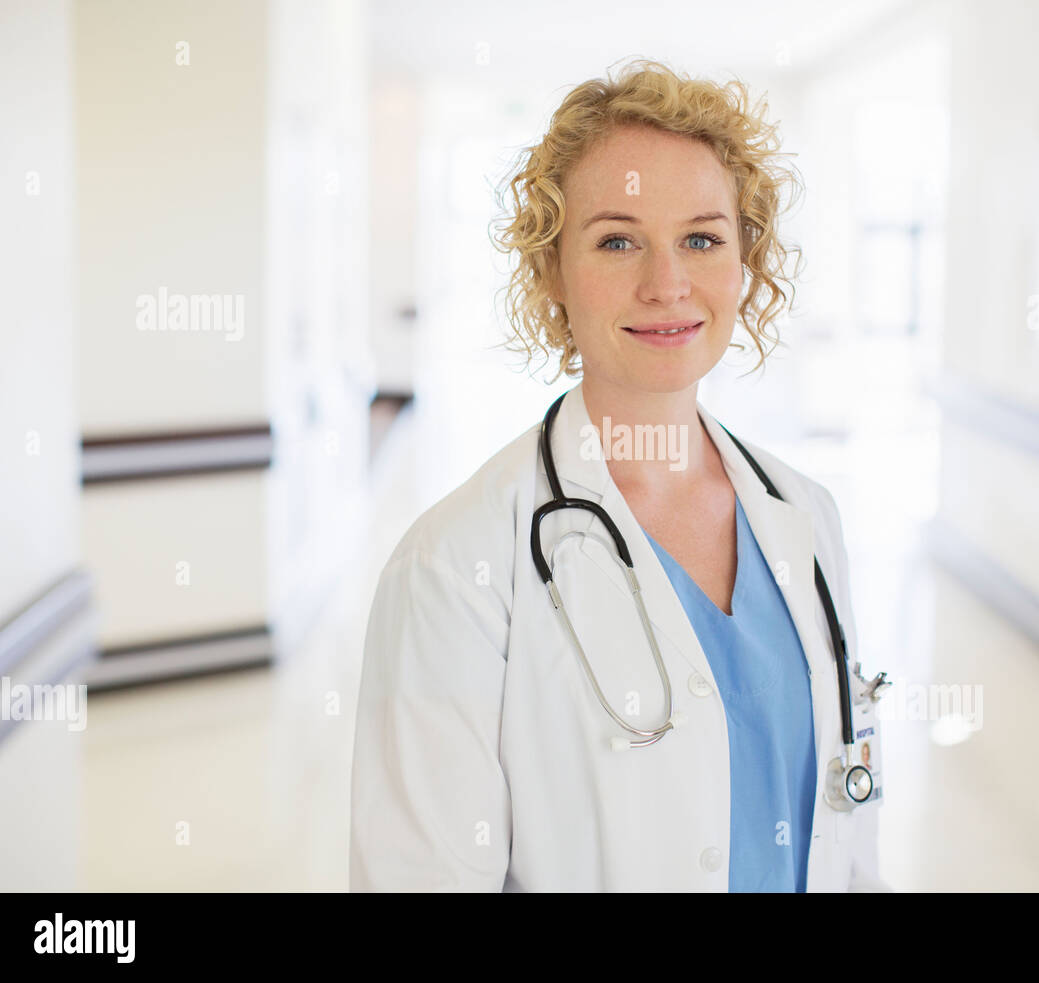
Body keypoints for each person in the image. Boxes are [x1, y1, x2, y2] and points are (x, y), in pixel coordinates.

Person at [349, 57, 888, 893]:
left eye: (702, 238)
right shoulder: (454, 570)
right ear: (553, 272)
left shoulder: (805, 519)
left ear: (745, 263)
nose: (667, 283)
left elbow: (846, 844)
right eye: (617, 239)